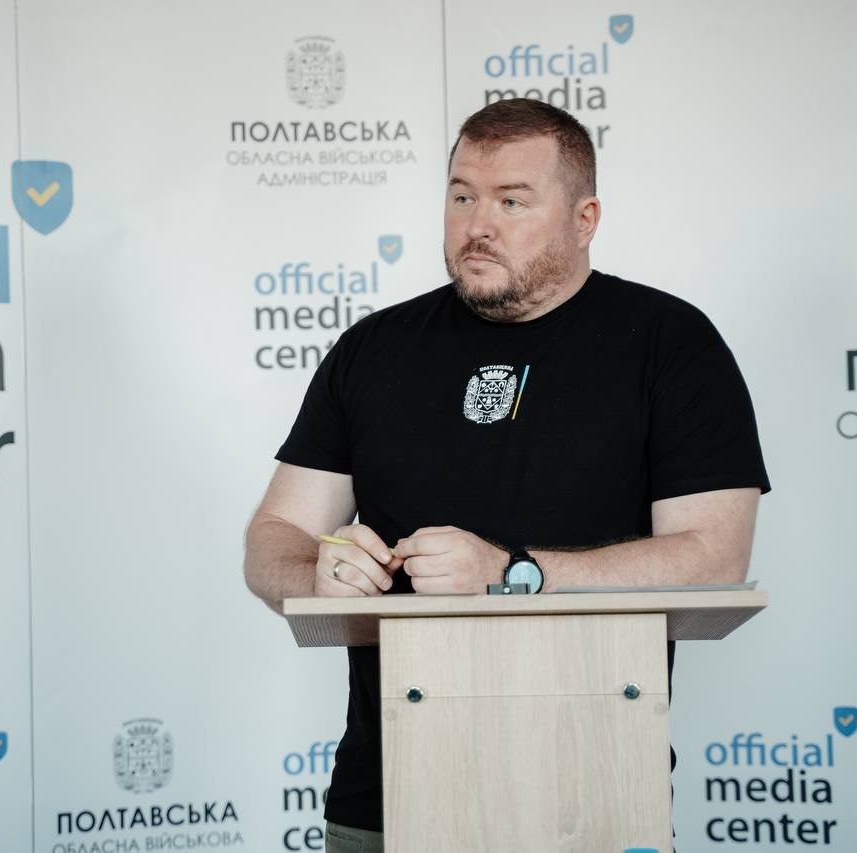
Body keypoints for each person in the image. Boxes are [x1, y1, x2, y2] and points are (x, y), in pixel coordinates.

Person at [243, 97, 770, 853]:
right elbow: (276, 534)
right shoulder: (372, 348)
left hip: (596, 797)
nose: (478, 225)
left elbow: (715, 558)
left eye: (511, 201)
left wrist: (512, 572)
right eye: (462, 197)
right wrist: (317, 573)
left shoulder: (671, 343)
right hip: (384, 799)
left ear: (585, 219)